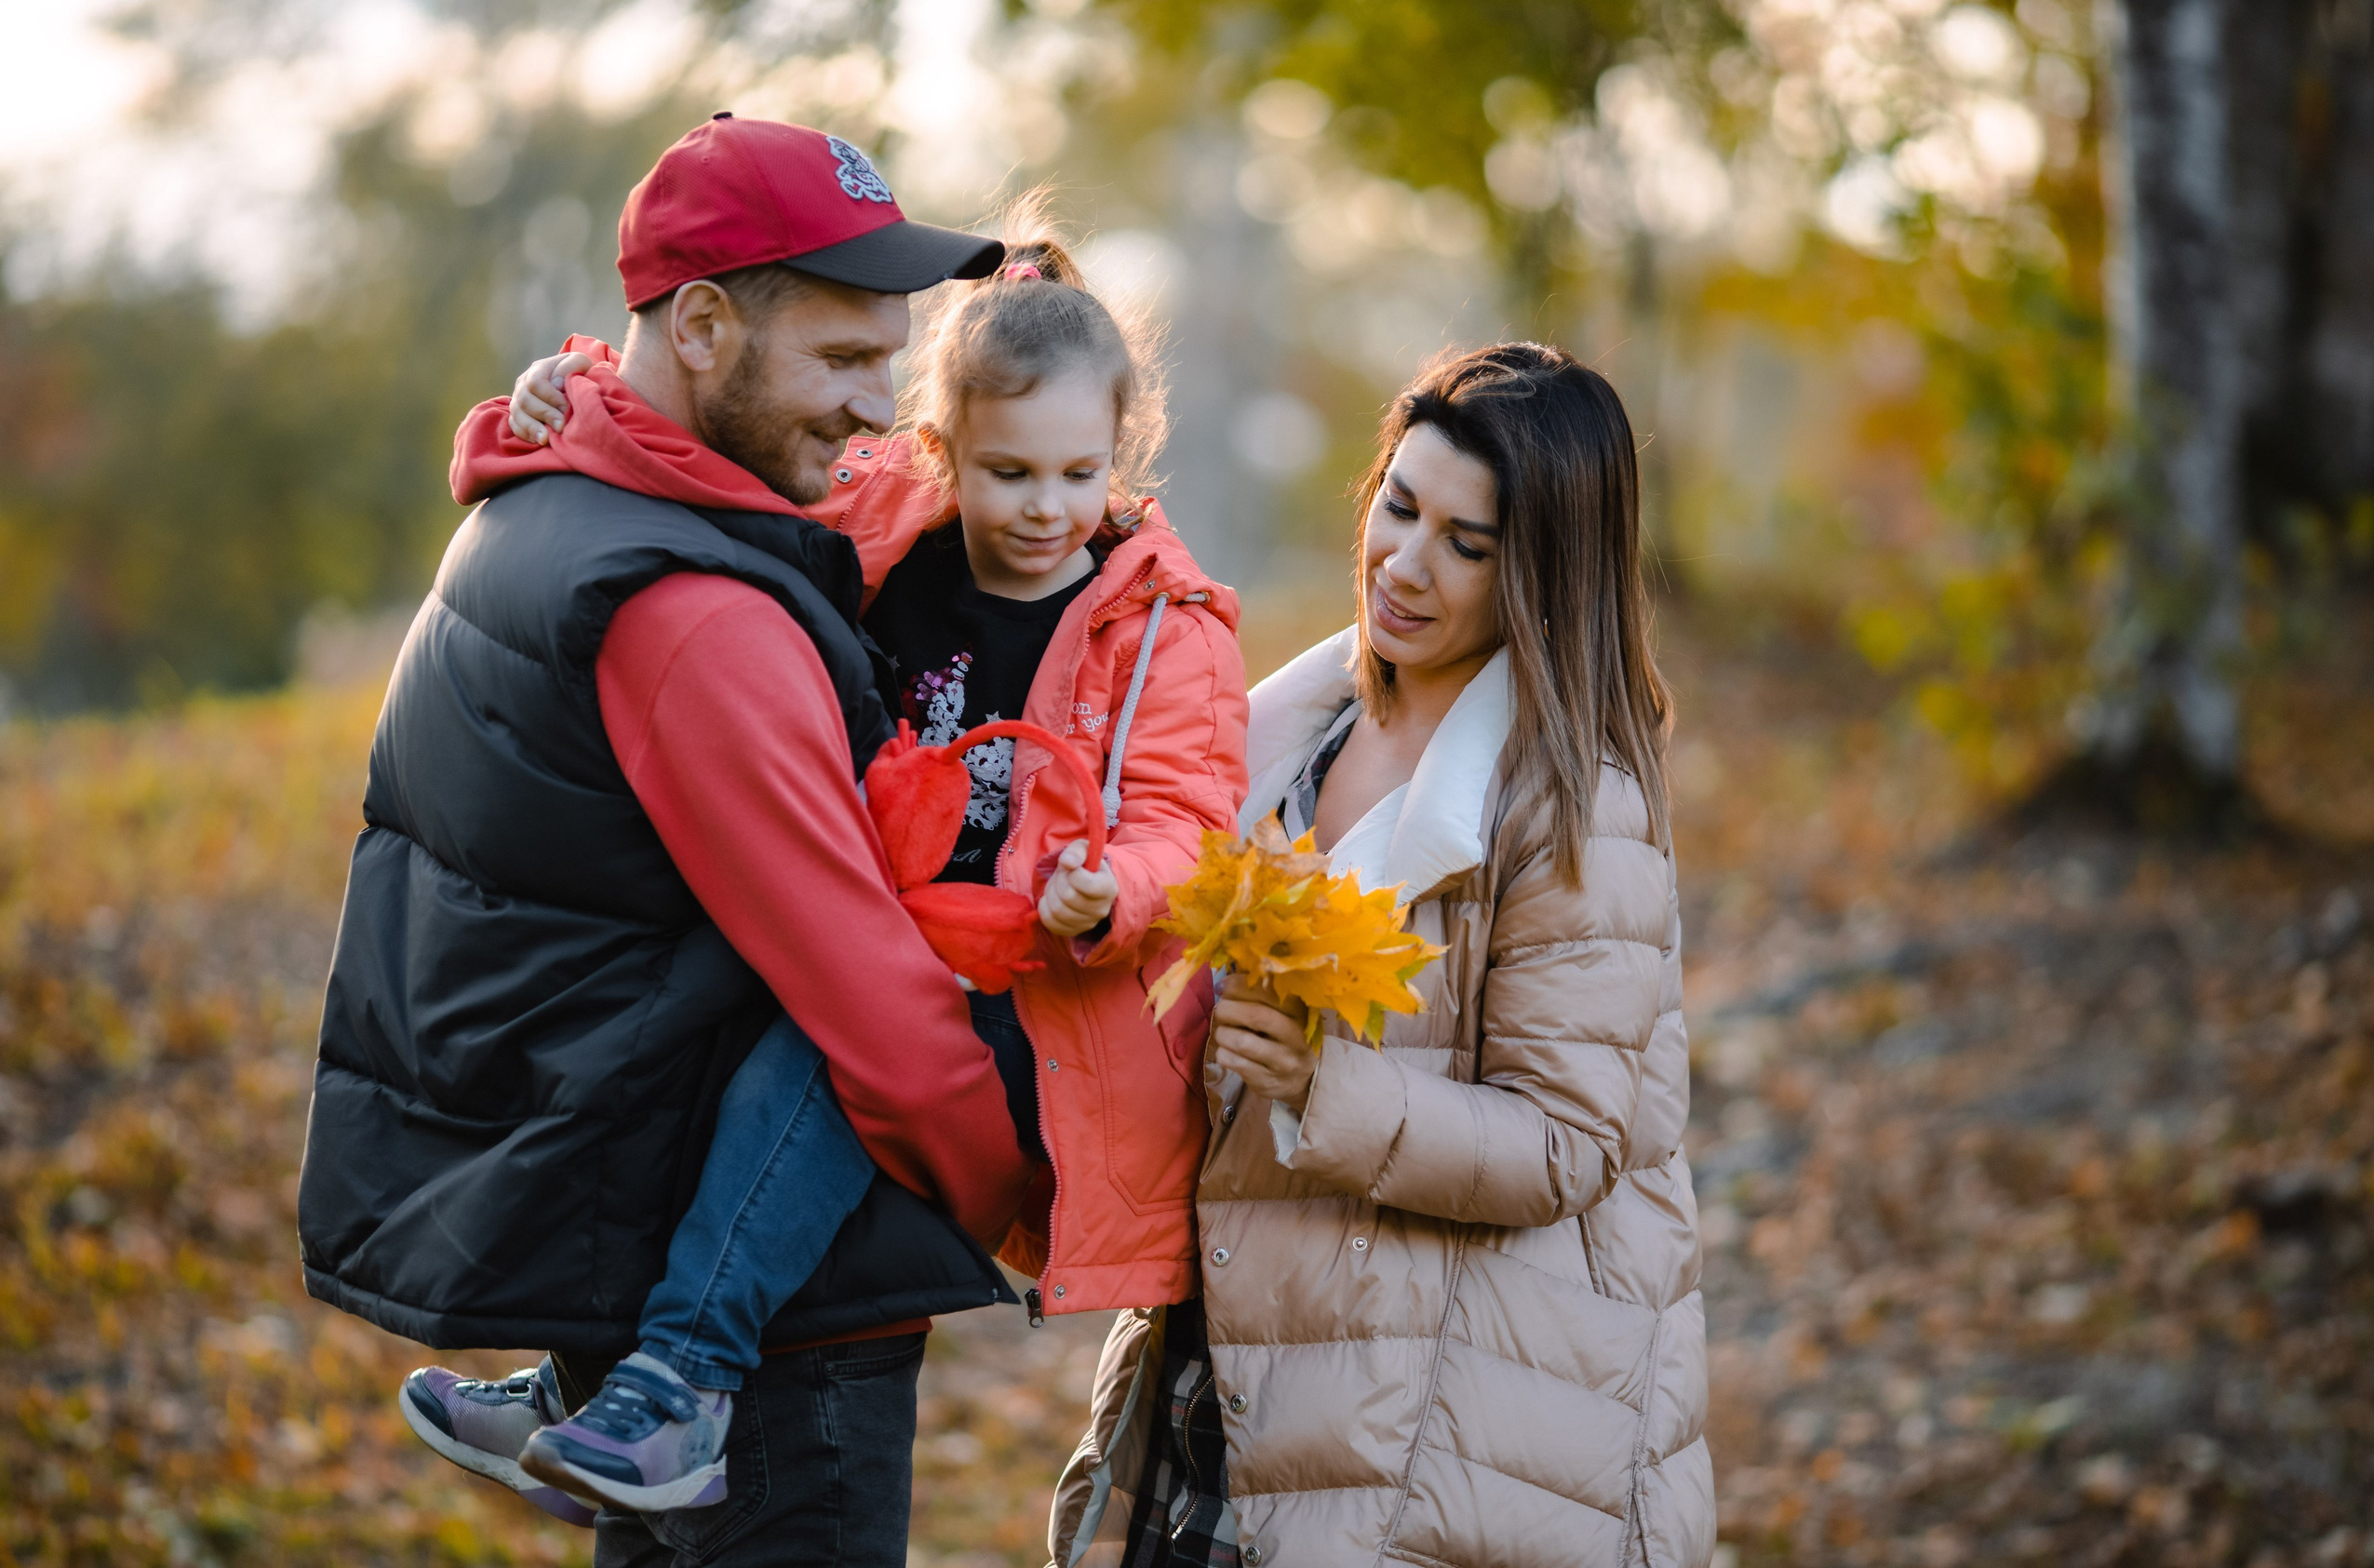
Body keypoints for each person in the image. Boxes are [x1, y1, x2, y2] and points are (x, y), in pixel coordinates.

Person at [415, 199, 1249, 1526]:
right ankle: (600, 1383)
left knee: (822, 1054)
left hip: (1031, 989)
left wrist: (1113, 894)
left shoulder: (1167, 629)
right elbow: (708, 448)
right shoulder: (881, 527)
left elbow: (1191, 825)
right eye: (1007, 474)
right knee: (696, 1009)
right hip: (885, 922)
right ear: (940, 447)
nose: (1046, 510)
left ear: (1123, 454)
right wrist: (562, 397)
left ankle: (680, 1381)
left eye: (1079, 475)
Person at [296, 115, 1040, 1566]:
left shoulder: (549, 504)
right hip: (772, 1339)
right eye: (840, 361)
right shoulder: (695, 617)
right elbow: (873, 1007)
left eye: (887, 359)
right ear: (701, 325)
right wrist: (1022, 1188)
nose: (877, 406)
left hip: (652, 1304)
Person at [1046, 343, 1716, 1567]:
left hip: (1440, 1423)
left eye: (1469, 544)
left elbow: (1569, 1140)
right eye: (1399, 508)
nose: (1405, 566)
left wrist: (1325, 1089)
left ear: (1545, 572)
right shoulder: (1287, 730)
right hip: (1235, 1358)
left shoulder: (1572, 807)